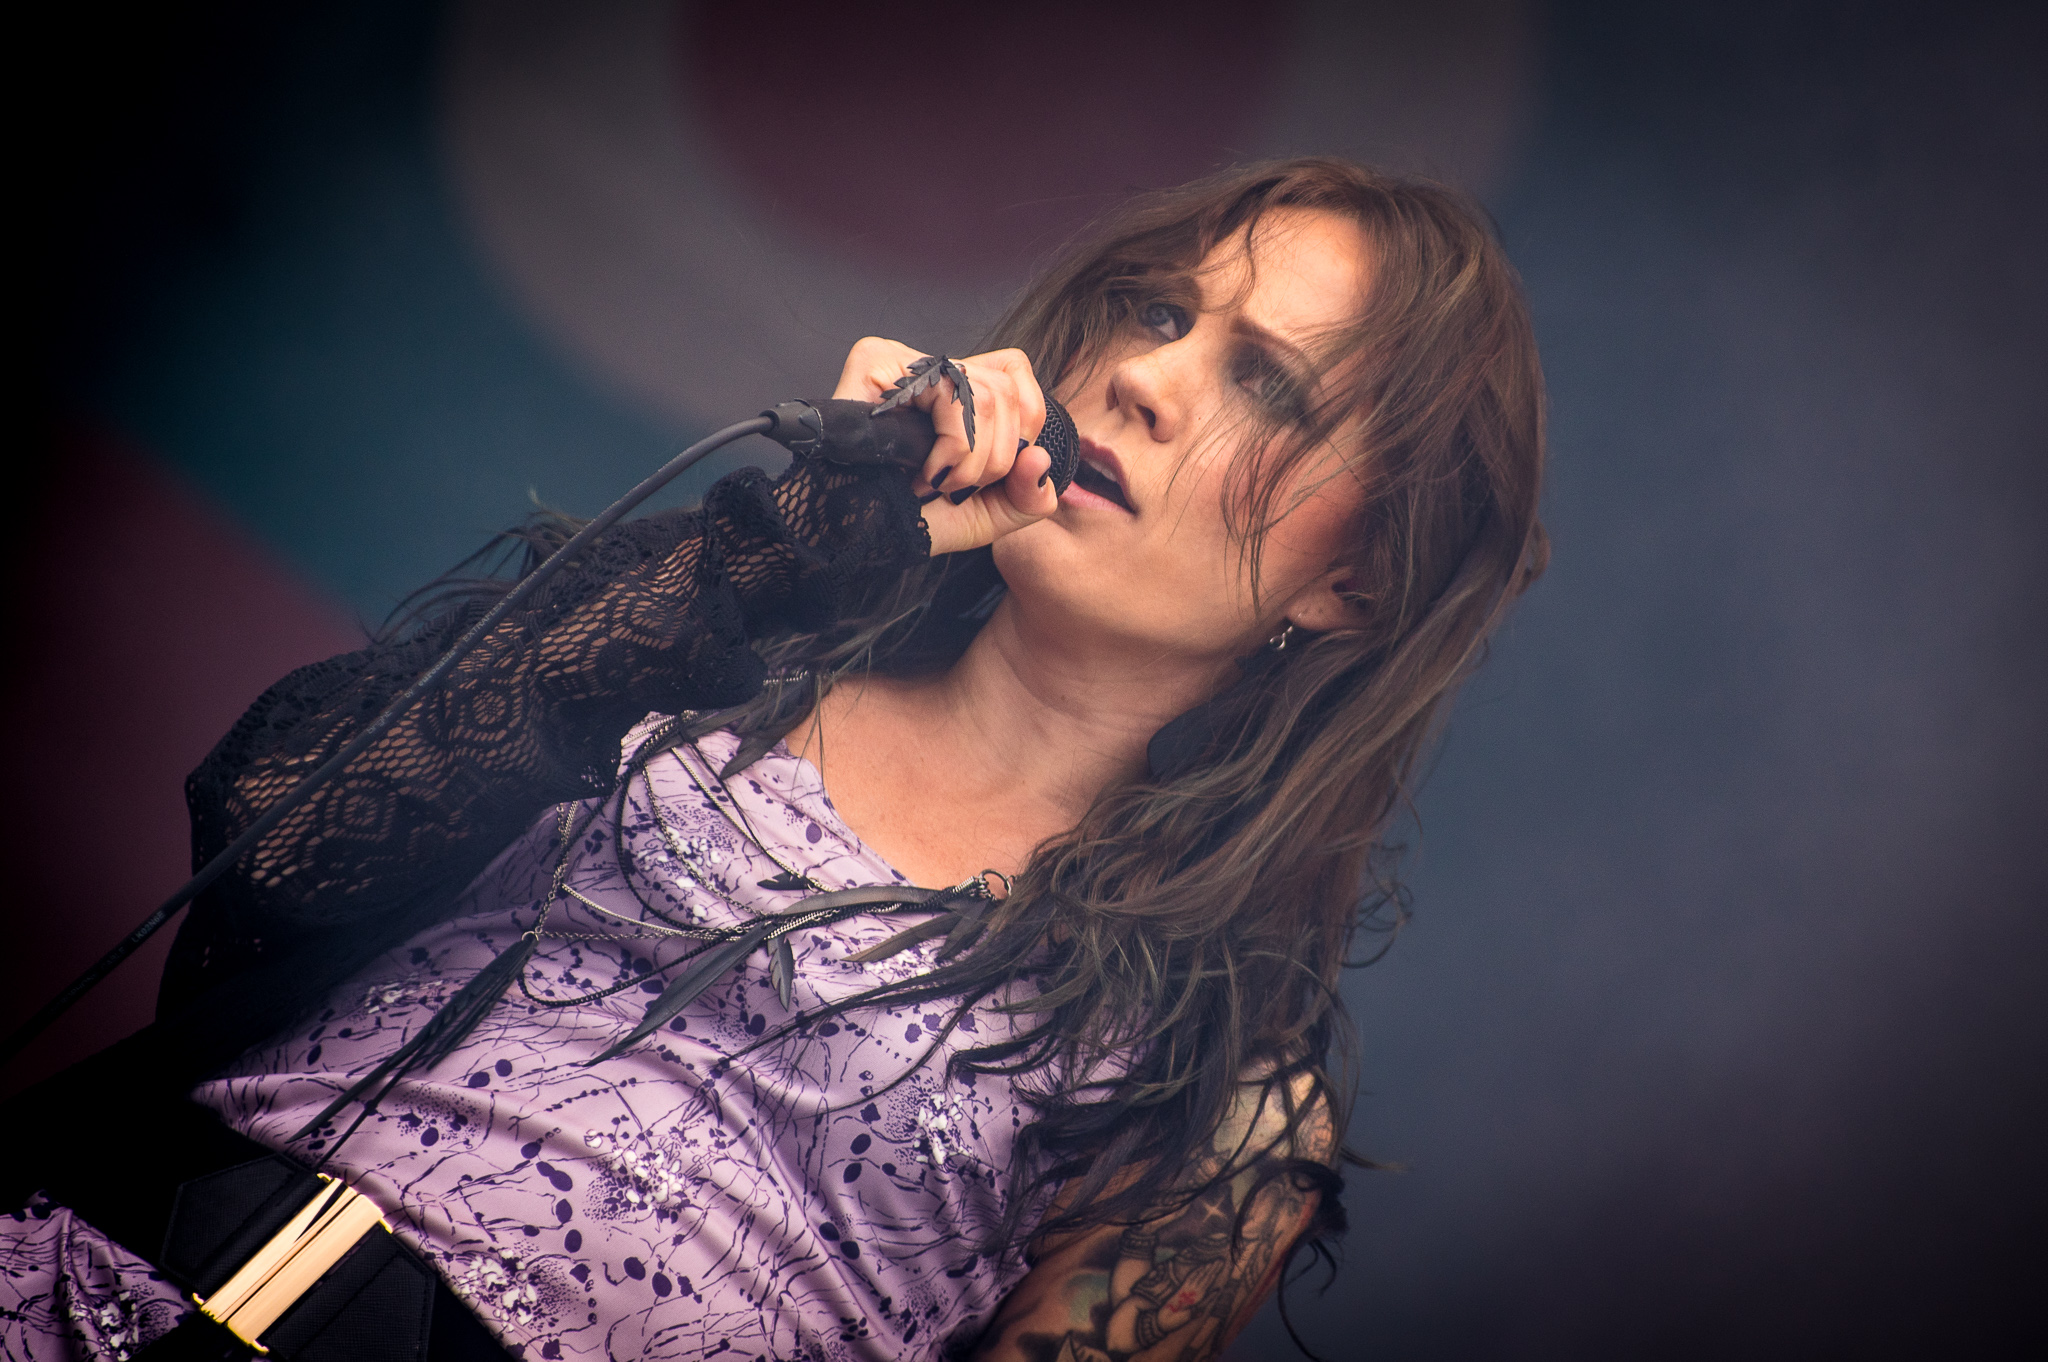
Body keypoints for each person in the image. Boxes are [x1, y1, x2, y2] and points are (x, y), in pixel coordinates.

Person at [0, 157, 1546, 1361]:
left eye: (1266, 383)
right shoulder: (715, 635)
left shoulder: (1222, 1087)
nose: (1145, 377)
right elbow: (274, 833)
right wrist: (790, 547)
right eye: (1156, 313)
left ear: (1360, 578)